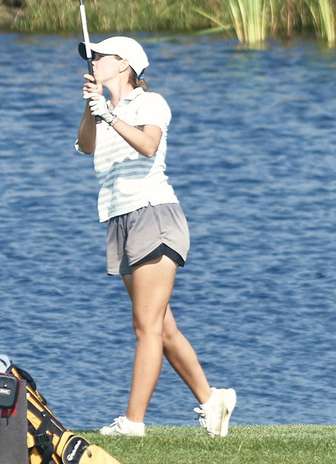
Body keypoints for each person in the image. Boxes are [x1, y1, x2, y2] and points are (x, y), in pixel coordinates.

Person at [76, 35, 235, 439]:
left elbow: (148, 146)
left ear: (124, 65)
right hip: (119, 218)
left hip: (152, 214)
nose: (93, 62)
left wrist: (110, 116)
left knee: (145, 326)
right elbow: (84, 146)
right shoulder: (104, 108)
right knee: (161, 326)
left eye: (101, 57)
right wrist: (93, 109)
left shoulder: (151, 103)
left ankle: (133, 422)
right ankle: (211, 400)